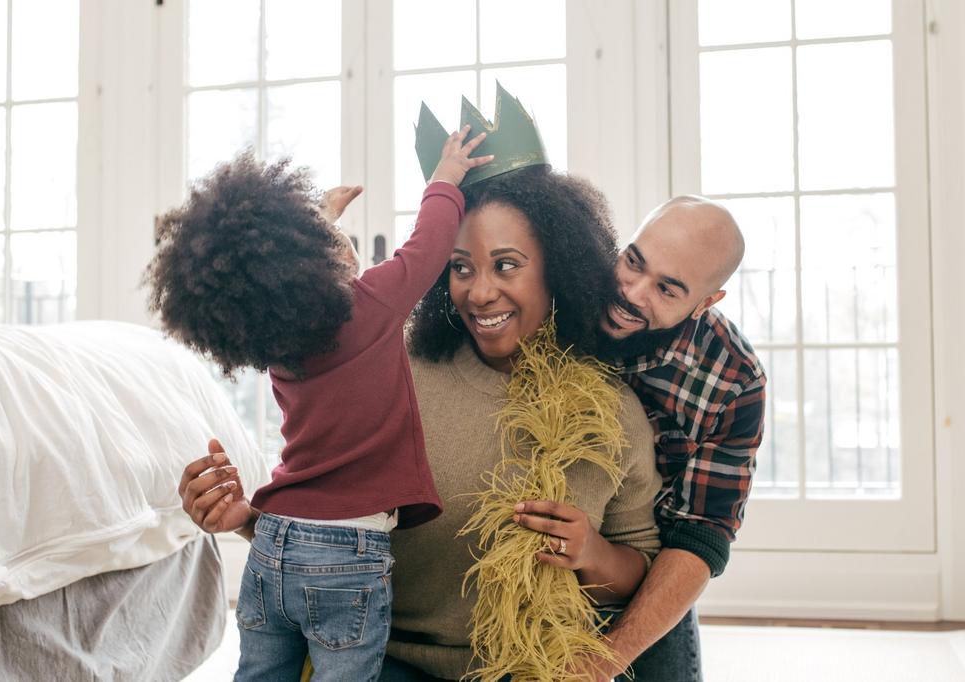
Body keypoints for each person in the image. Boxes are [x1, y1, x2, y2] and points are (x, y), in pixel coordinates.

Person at [178, 165, 664, 681]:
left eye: (505, 266)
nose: (479, 293)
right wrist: (246, 518)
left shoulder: (608, 413)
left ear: (559, 269)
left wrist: (592, 552)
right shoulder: (387, 371)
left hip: (525, 668)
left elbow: (638, 569)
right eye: (459, 268)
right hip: (380, 658)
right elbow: (327, 534)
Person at [147, 128, 492, 682]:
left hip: (272, 545)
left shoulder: (277, 346)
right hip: (346, 553)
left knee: (259, 674)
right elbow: (427, 247)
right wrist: (444, 179)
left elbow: (271, 272)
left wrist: (316, 221)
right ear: (321, 259)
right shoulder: (371, 306)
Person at [561, 196, 767, 681]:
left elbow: (701, 533)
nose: (632, 292)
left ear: (705, 302)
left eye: (667, 290)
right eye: (633, 261)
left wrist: (600, 665)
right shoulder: (565, 281)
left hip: (640, 572)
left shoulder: (734, 378)